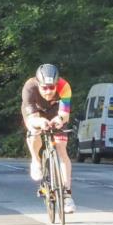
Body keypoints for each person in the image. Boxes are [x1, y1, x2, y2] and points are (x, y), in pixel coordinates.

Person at [21, 63, 76, 214]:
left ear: (57, 84)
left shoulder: (64, 87)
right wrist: (40, 122)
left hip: (55, 111)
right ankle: (36, 161)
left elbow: (65, 114)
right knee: (34, 131)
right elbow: (32, 118)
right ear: (38, 84)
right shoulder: (29, 88)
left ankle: (66, 195)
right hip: (35, 112)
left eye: (52, 87)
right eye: (44, 88)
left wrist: (60, 119)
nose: (48, 91)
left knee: (61, 147)